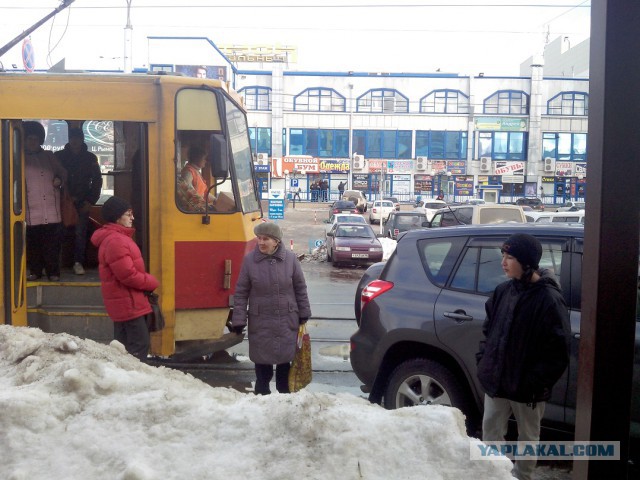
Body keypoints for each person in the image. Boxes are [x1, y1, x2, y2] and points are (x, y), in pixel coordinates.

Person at [476, 233, 570, 480]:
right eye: (503, 256)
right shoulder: (502, 291)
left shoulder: (549, 299)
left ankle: (521, 477)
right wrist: (484, 361)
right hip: (496, 382)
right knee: (491, 433)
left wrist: (534, 383)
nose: (503, 262)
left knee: (528, 438)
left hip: (527, 390)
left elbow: (558, 352)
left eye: (510, 257)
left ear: (527, 262)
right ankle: (496, 474)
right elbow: (488, 331)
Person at [230, 222, 312, 395]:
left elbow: (300, 288)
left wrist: (304, 312)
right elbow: (241, 292)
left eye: (265, 239)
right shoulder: (249, 261)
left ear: (276, 241)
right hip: (261, 321)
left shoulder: (290, 259)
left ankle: (284, 399)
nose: (261, 242)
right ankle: (262, 396)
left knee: (284, 364)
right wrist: (238, 319)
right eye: (259, 238)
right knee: (262, 365)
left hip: (286, 320)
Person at [91, 196, 159, 361]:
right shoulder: (117, 240)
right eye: (128, 214)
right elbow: (127, 275)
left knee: (124, 346)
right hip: (128, 303)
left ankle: (125, 379)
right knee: (139, 344)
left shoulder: (116, 238)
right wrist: (151, 282)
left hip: (126, 302)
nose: (132, 218)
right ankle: (133, 381)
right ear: (117, 217)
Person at [55, 127, 103, 275]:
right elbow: (54, 176)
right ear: (69, 140)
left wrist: (90, 201)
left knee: (80, 233)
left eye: (78, 138)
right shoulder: (59, 156)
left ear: (82, 140)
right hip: (62, 201)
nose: (75, 141)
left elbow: (97, 181)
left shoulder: (90, 158)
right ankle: (56, 263)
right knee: (57, 232)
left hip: (83, 202)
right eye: (72, 138)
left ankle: (78, 262)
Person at [24, 121, 67, 282]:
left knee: (52, 246)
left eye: (35, 139)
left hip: (52, 211)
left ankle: (53, 272)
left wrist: (59, 180)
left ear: (40, 139)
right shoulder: (19, 158)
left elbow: (63, 173)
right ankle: (35, 272)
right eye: (29, 139)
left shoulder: (49, 156)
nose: (32, 142)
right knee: (34, 245)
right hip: (30, 212)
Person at [178, 145, 219, 212]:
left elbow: (205, 193)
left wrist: (215, 200)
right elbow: (187, 190)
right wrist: (203, 206)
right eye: (204, 159)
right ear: (196, 158)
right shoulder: (188, 172)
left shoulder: (197, 172)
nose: (205, 161)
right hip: (194, 211)